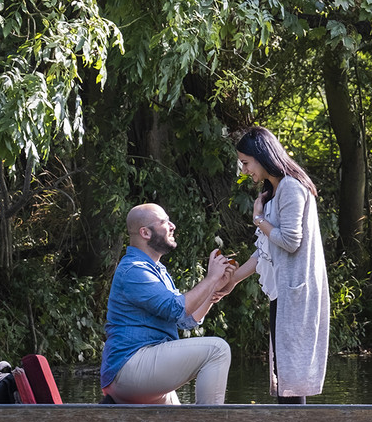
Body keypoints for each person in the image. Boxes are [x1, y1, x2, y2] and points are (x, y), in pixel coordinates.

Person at [215, 126, 330, 404]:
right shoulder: (274, 191)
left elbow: (290, 241)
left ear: (261, 155)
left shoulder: (290, 186)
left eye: (245, 162)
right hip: (285, 291)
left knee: (291, 377)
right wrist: (232, 282)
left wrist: (258, 220)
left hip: (297, 292)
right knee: (284, 374)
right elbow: (265, 251)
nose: (244, 170)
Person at [100, 203, 234, 404]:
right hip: (130, 368)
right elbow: (175, 308)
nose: (172, 226)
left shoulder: (156, 269)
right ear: (145, 232)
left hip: (142, 369)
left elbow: (185, 320)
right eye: (164, 222)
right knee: (217, 349)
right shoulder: (134, 270)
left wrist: (213, 291)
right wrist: (210, 279)